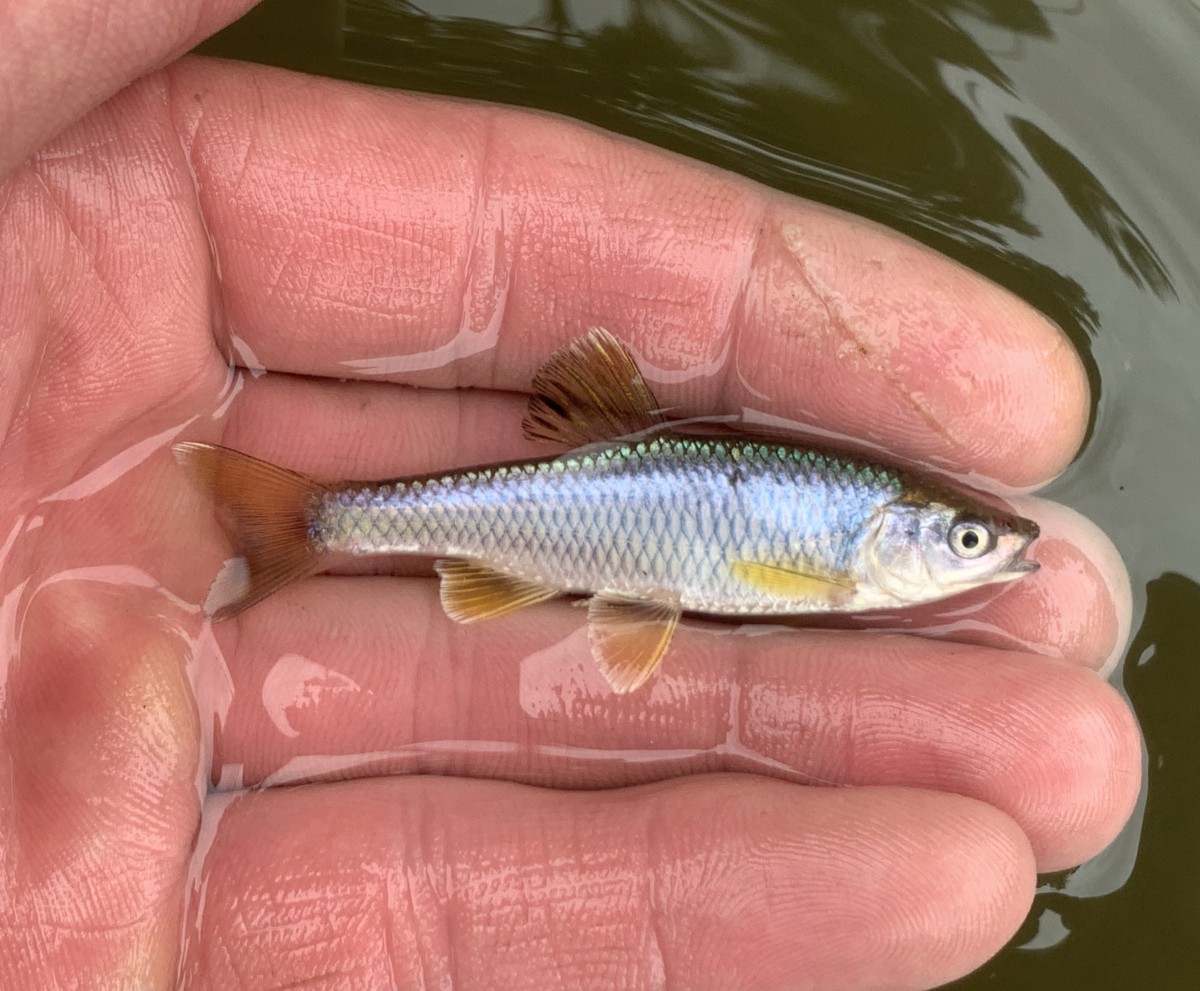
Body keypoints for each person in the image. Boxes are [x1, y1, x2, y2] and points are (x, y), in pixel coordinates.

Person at [0, 2, 1140, 988]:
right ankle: (308, 520)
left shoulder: (846, 543)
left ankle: (310, 522)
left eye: (971, 539)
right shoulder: (835, 562)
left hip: (598, 504)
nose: (983, 551)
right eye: (962, 537)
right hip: (589, 496)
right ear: (888, 532)